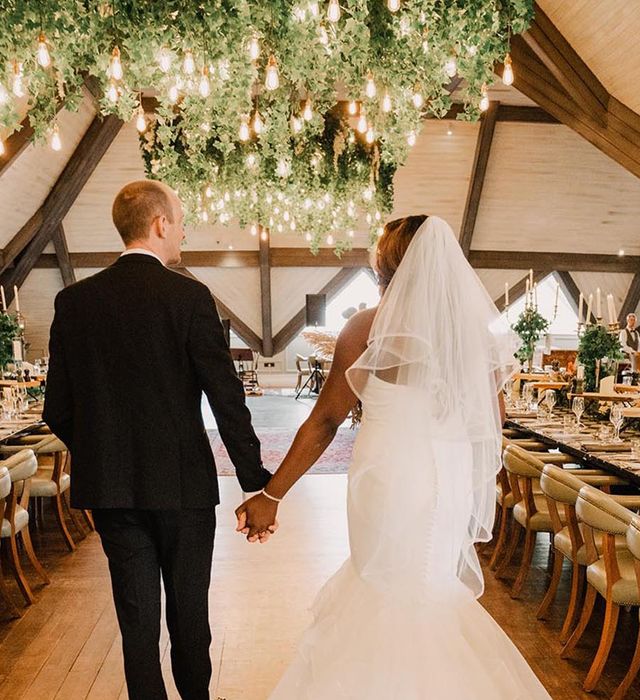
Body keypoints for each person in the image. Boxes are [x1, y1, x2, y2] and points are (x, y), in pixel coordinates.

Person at [237, 216, 551, 698]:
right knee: (429, 588)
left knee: (383, 586)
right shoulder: (470, 335)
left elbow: (324, 422)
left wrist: (271, 494)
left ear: (390, 265)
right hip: (445, 483)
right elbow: (492, 419)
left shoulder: (367, 327)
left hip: (389, 479)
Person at [43, 180, 272, 700]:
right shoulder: (189, 298)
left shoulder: (73, 301)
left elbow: (56, 408)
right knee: (190, 620)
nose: (184, 232)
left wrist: (103, 450)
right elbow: (225, 398)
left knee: (137, 625)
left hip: (111, 491)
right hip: (184, 488)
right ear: (160, 224)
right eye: (182, 221)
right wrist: (254, 481)